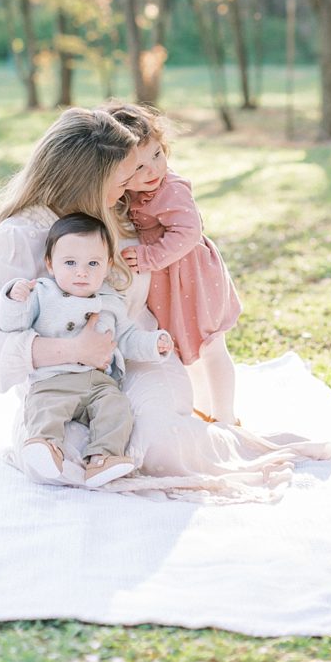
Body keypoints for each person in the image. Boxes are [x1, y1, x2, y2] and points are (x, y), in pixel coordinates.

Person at [0, 106, 331, 503]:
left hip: (135, 353)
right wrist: (74, 350)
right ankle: (52, 440)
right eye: (121, 179)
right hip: (58, 377)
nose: (129, 190)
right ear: (87, 180)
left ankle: (228, 439)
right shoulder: (17, 236)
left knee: (158, 447)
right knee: (66, 459)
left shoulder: (119, 211)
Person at [0, 212, 173, 488]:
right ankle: (45, 445)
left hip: (99, 383)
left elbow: (126, 338)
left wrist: (154, 344)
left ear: (107, 265)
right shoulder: (42, 293)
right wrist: (13, 298)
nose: (82, 271)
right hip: (54, 379)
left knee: (117, 408)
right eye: (70, 263)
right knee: (45, 407)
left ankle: (102, 458)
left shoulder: (111, 302)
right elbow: (13, 324)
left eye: (93, 263)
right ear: (50, 264)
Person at [104, 102, 241, 425]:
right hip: (169, 284)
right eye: (138, 167)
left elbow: (189, 231)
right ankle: (203, 408)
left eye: (157, 155)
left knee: (210, 345)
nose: (152, 170)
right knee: (183, 348)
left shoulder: (172, 188)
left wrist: (150, 256)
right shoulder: (128, 194)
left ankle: (225, 415)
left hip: (194, 276)